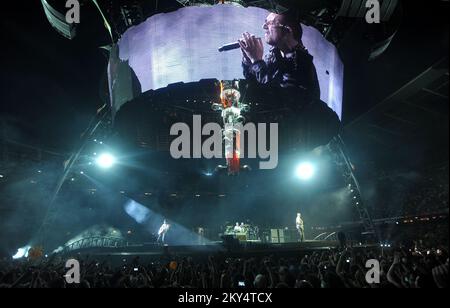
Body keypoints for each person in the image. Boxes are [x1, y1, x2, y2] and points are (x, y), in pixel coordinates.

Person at [238, 11, 321, 100]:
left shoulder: (300, 64)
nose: (264, 26)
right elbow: (256, 85)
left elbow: (276, 97)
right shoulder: (274, 54)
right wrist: (248, 61)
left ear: (287, 31)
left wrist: (256, 61)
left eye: (269, 23)